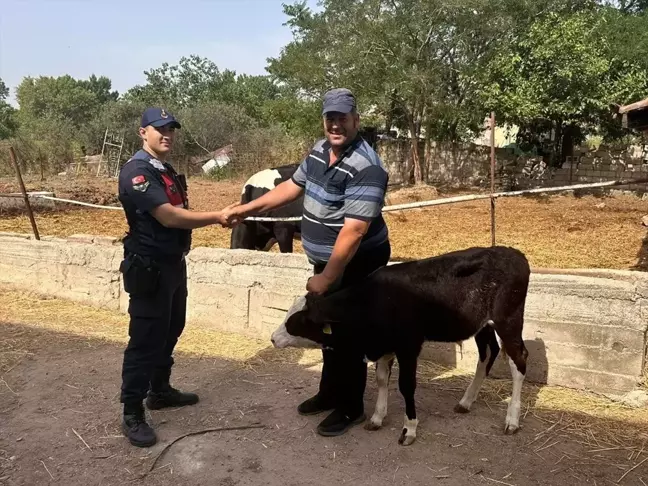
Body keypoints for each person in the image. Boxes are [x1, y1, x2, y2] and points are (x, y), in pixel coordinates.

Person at [222, 88, 391, 437]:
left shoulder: (367, 167)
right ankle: (330, 392)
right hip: (327, 261)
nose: (335, 124)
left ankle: (350, 406)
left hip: (355, 261)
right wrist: (247, 209)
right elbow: (291, 188)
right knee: (325, 328)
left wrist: (328, 276)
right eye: (330, 118)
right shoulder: (319, 150)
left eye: (343, 118)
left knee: (348, 333)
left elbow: (355, 231)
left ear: (356, 120)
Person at [117, 107, 238, 448]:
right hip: (149, 267)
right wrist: (218, 215)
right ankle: (132, 412)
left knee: (172, 327)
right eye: (159, 128)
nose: (166, 133)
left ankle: (160, 390)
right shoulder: (138, 173)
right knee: (145, 339)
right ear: (143, 132)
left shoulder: (163, 169)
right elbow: (169, 217)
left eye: (171, 128)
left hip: (172, 264)